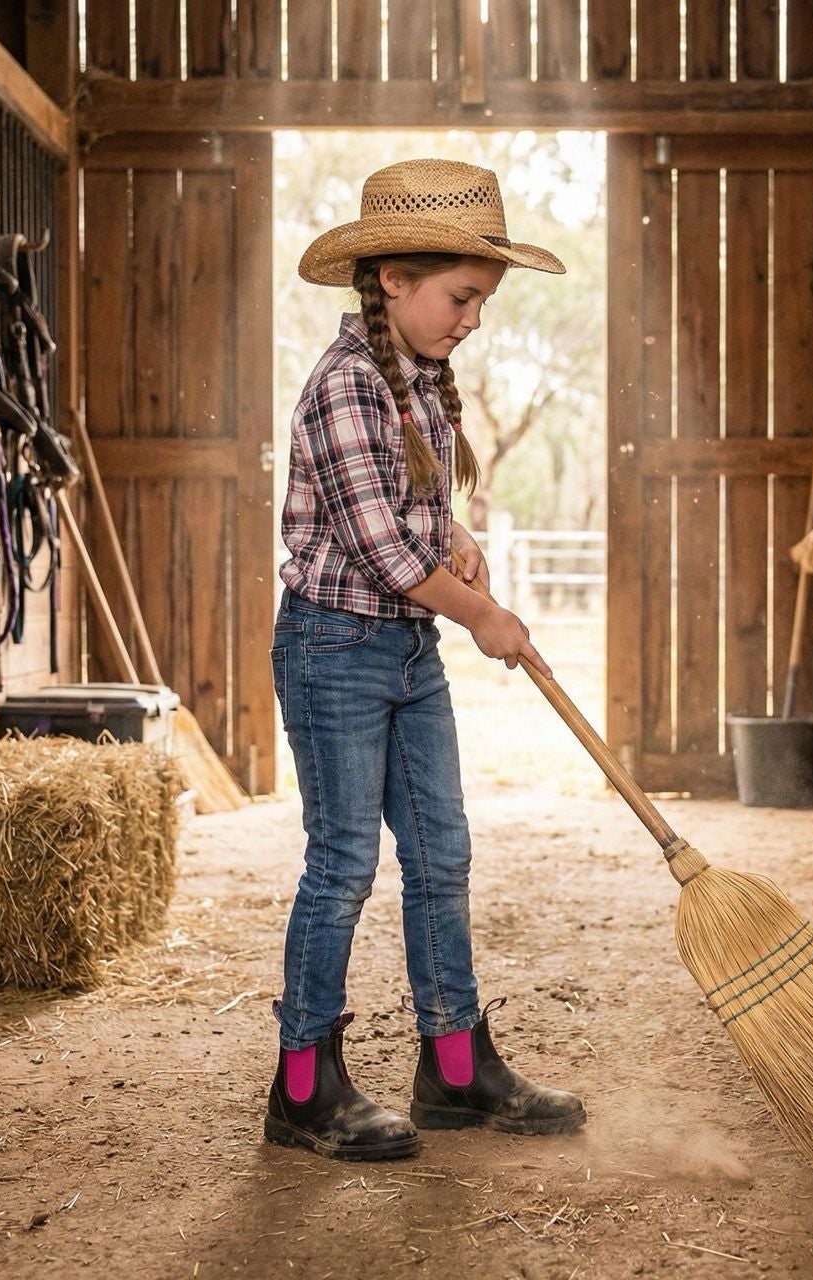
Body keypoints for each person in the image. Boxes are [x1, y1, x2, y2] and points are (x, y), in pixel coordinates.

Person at [264, 159, 587, 1161]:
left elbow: (405, 519)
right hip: (335, 649)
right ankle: (303, 1082)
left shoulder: (411, 380)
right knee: (343, 862)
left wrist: (448, 524)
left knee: (441, 853)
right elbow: (380, 551)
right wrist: (481, 613)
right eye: (460, 297)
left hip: (401, 649)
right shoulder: (342, 384)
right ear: (392, 278)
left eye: (481, 302)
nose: (471, 320)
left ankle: (454, 1066)